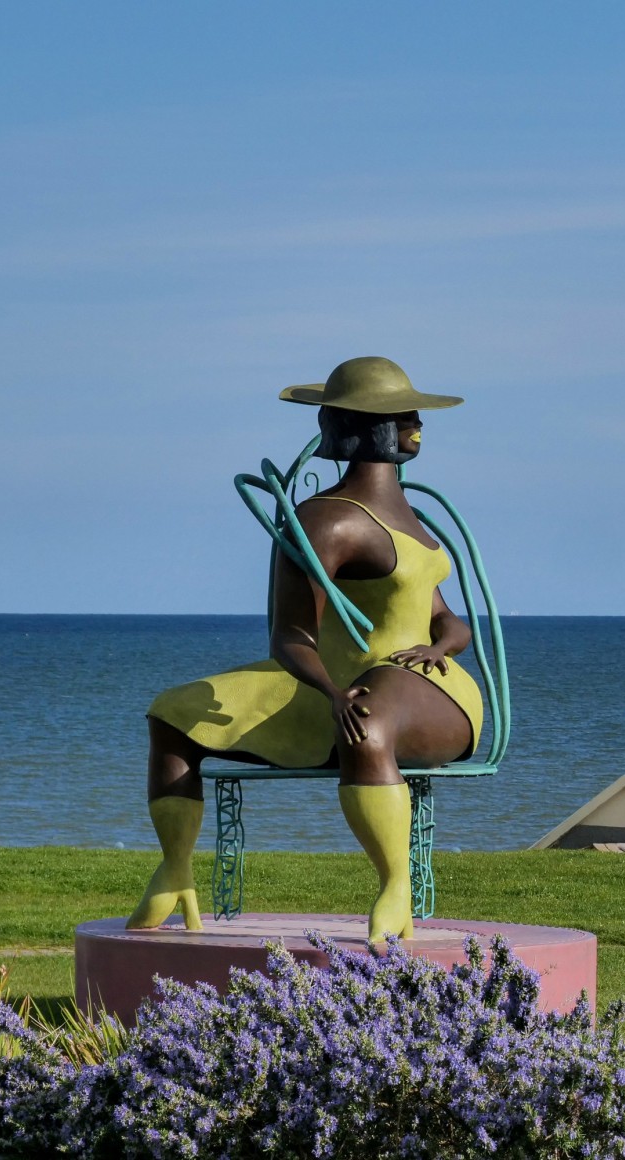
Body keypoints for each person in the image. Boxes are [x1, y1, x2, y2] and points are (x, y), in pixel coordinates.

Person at [131, 356, 485, 946]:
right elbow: (291, 637)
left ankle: (395, 883)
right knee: (173, 713)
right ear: (362, 426)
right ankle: (175, 870)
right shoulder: (324, 522)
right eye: (401, 415)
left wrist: (438, 646)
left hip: (427, 687)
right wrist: (332, 693)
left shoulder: (412, 518)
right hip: (335, 683)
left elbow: (449, 619)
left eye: (414, 413)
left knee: (369, 723)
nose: (417, 424)